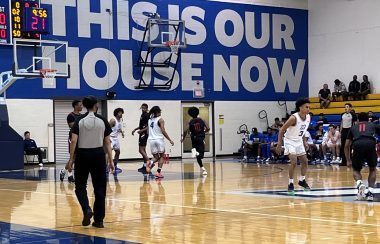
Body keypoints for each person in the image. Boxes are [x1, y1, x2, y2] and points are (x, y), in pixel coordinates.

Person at [67, 96, 114, 228]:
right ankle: (99, 221)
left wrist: (71, 159)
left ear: (86, 106)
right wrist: (111, 160)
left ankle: (87, 209)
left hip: (83, 155)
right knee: (100, 188)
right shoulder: (102, 120)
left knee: (80, 187)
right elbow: (107, 142)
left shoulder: (79, 120)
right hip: (98, 155)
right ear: (96, 105)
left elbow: (74, 141)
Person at [276, 98, 311, 193]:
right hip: (289, 141)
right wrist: (279, 144)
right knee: (294, 161)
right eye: (306, 107)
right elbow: (281, 130)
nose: (308, 109)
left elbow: (303, 131)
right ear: (300, 108)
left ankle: (302, 180)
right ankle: (290, 183)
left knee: (305, 161)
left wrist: (304, 142)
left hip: (299, 141)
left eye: (309, 107)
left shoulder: (308, 117)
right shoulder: (293, 118)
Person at [344, 112, 380, 201]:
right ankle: (370, 193)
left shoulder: (353, 127)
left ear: (358, 119)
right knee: (372, 168)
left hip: (357, 144)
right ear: (368, 119)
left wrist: (348, 160)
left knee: (356, 169)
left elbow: (346, 145)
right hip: (370, 143)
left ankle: (360, 183)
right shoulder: (372, 125)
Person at [145, 106, 174, 178]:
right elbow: (163, 130)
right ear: (157, 112)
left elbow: (148, 132)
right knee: (161, 156)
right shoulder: (160, 120)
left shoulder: (149, 120)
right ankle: (158, 172)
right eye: (160, 111)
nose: (160, 112)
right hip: (159, 140)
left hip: (151, 140)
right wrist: (170, 140)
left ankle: (150, 162)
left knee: (156, 157)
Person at [181, 107, 210, 175]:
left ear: (190, 114)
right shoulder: (203, 120)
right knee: (200, 155)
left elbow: (185, 130)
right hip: (200, 138)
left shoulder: (190, 121)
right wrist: (203, 132)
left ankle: (202, 168)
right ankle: (196, 153)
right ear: (198, 112)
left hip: (193, 138)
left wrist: (183, 138)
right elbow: (208, 129)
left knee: (197, 153)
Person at [60, 100, 83, 183]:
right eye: (80, 105)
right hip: (72, 136)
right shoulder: (70, 115)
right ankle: (69, 175)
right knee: (72, 157)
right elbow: (72, 125)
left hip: (80, 137)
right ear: (76, 106)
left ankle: (64, 171)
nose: (82, 106)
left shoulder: (82, 116)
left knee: (76, 158)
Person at [132, 104, 150, 173]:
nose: (143, 109)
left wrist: (141, 131)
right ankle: (145, 165)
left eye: (144, 108)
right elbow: (141, 126)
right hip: (142, 133)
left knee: (140, 150)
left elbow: (148, 126)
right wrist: (135, 129)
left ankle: (149, 162)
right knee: (143, 150)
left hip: (144, 134)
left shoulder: (147, 115)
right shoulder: (142, 115)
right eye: (142, 108)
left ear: (147, 108)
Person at [109, 108, 125, 174]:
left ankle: (115, 166)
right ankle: (106, 168)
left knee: (118, 152)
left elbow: (119, 127)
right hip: (111, 138)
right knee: (108, 153)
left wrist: (122, 132)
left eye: (122, 112)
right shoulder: (113, 120)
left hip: (116, 138)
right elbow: (107, 128)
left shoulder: (120, 120)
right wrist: (107, 138)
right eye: (120, 112)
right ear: (117, 113)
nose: (121, 114)